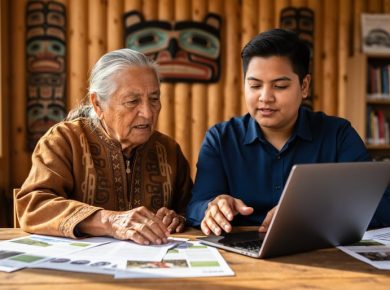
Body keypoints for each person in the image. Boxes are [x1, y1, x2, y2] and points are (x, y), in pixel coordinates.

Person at [186, 28, 390, 236]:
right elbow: (195, 208)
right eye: (255, 85)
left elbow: (382, 206)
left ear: (304, 86)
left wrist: (315, 211)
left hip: (318, 252)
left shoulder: (338, 135)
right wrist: (213, 207)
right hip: (242, 255)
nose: (265, 97)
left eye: (280, 86)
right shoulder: (221, 139)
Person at [16, 48, 192, 245]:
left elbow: (190, 209)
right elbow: (33, 206)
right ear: (97, 103)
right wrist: (109, 221)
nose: (148, 113)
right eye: (132, 101)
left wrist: (177, 218)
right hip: (83, 270)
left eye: (154, 99)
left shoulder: (168, 150)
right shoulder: (64, 141)